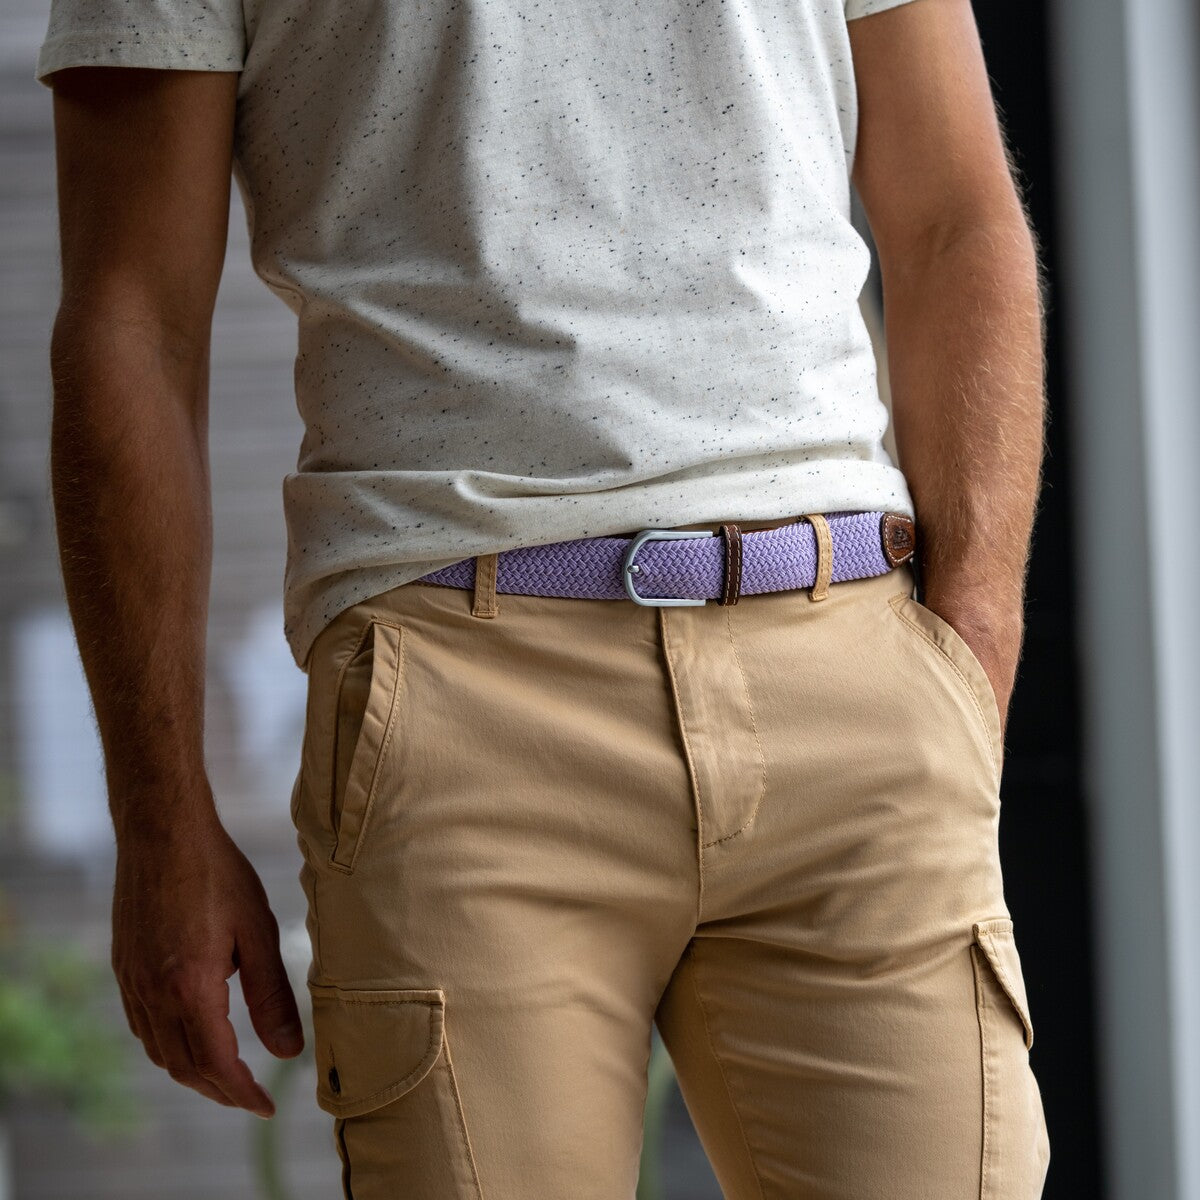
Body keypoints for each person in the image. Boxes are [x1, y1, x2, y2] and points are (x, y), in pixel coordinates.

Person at [33, 0, 1051, 1193]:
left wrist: (969, 652)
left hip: (849, 679)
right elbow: (133, 326)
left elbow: (954, 218)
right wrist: (160, 820)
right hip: (465, 715)